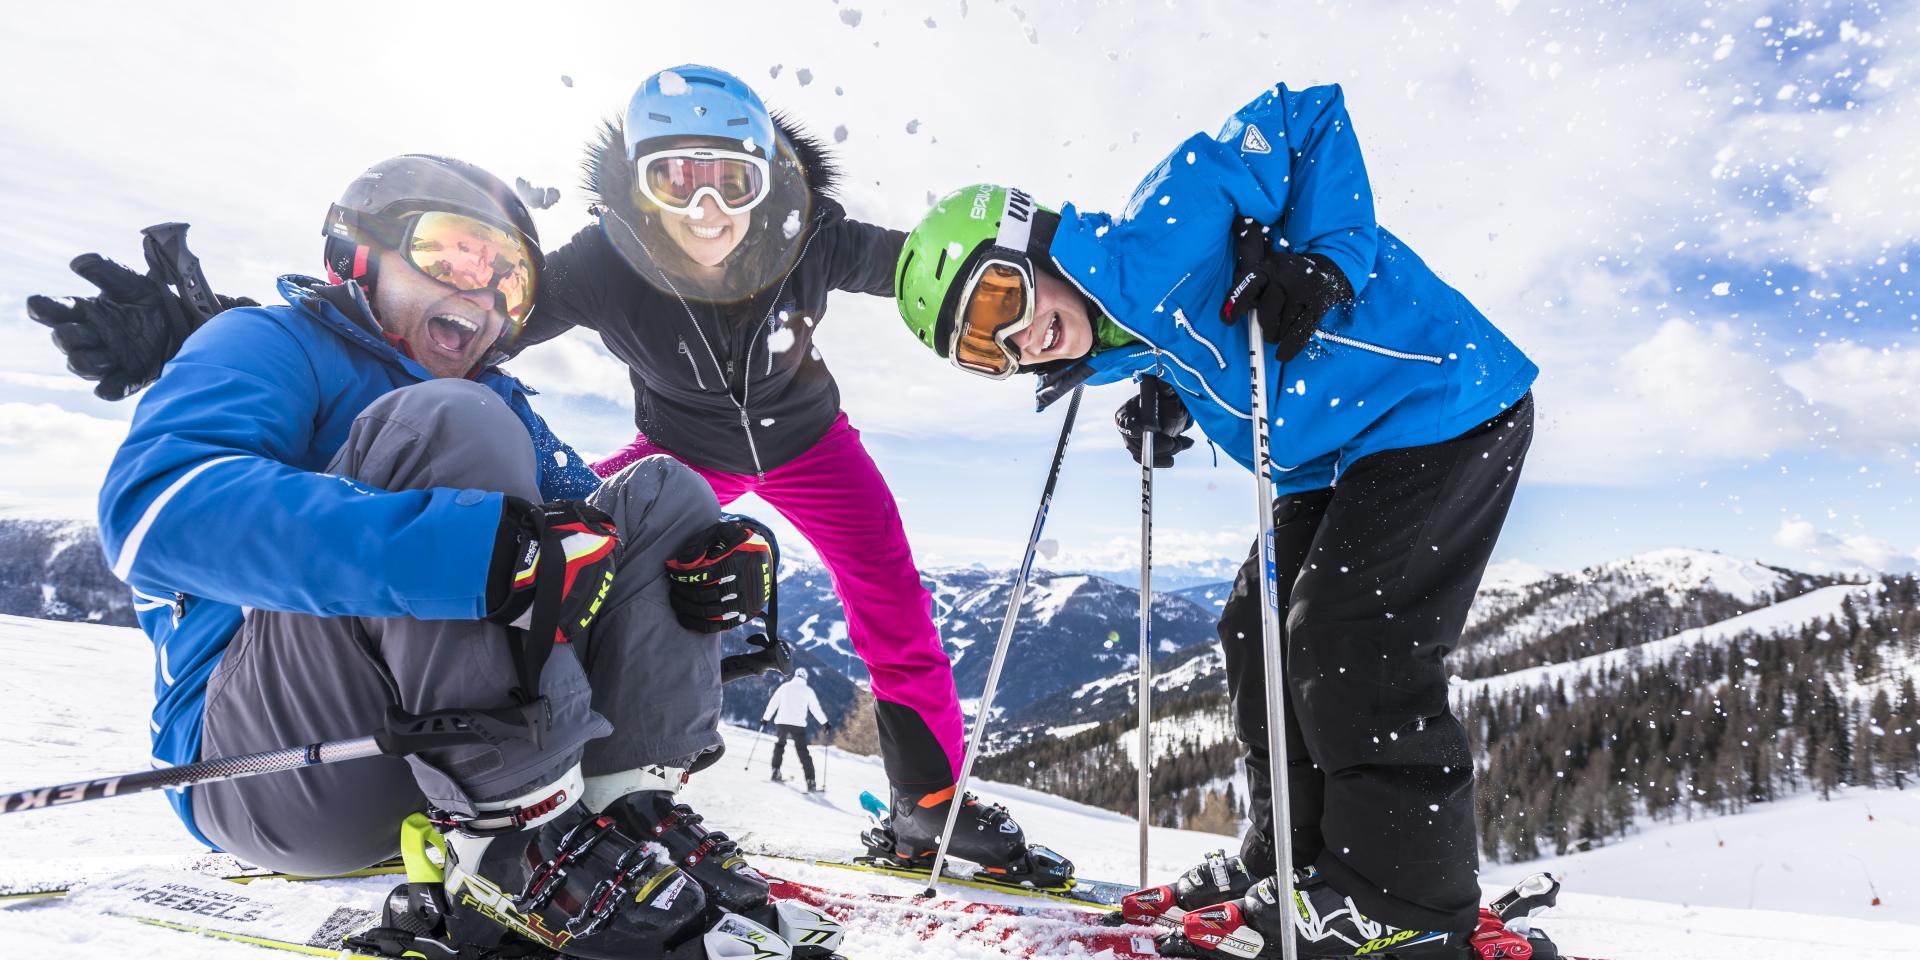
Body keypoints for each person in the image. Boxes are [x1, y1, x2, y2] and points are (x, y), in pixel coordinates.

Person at [35, 63, 1064, 882]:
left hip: (804, 443)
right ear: (636, 193)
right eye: (674, 183)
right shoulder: (590, 273)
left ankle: (725, 810)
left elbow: (941, 263)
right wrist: (213, 347)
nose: (707, 210)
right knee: (518, 463)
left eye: (732, 183)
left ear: (772, 184)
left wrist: (1087, 288)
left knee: (752, 537)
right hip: (289, 748)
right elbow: (389, 368)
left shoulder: (804, 243)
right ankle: (518, 826)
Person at [57, 155, 834, 959]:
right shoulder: (269, 342)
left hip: (437, 766)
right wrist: (451, 546)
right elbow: (152, 514)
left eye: (513, 282)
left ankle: (626, 808)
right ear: (359, 248)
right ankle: (516, 848)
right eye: (457, 254)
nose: (484, 292)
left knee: (663, 492)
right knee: (451, 428)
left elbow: (595, 533)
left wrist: (696, 561)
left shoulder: (496, 404)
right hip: (272, 770)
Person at [894, 82, 1547, 960]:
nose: (1018, 340)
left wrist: (1327, 261)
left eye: (998, 300)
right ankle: (1298, 857)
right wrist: (1167, 393)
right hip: (1338, 454)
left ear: (1031, 241)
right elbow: (1188, 326)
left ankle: (1406, 901)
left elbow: (1308, 112)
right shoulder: (1121, 322)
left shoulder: (1162, 217)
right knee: (1256, 626)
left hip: (1441, 399)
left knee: (1350, 631)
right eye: (983, 348)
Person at [761, 668, 829, 791]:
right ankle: (810, 781)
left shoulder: (784, 687)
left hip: (782, 722)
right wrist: (825, 723)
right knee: (803, 752)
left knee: (779, 746)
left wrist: (765, 719)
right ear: (805, 678)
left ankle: (775, 771)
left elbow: (773, 703)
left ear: (795, 676)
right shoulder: (808, 690)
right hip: (798, 725)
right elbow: (815, 709)